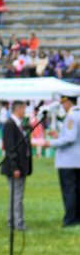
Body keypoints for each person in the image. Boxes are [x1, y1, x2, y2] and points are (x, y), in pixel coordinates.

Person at [45, 94, 80, 227]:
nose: (62, 106)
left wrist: (52, 143)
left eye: (63, 103)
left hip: (68, 160)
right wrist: (59, 136)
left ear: (68, 102)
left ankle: (70, 219)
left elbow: (70, 138)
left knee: (69, 191)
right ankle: (77, 217)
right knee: (77, 190)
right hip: (77, 160)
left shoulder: (71, 116)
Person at [1, 101, 32, 231]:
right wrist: (14, 167)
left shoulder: (19, 124)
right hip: (15, 166)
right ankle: (17, 223)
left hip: (21, 165)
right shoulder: (10, 125)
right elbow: (10, 147)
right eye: (24, 109)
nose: (25, 112)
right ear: (18, 109)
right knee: (17, 196)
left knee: (16, 195)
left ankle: (13, 220)